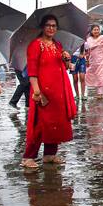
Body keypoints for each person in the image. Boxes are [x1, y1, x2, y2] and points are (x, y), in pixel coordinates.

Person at [21, 14, 77, 169]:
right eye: (48, 25)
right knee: (39, 124)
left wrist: (66, 58)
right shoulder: (35, 45)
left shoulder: (58, 45)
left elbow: (65, 68)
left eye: (54, 26)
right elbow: (32, 71)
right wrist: (37, 91)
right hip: (42, 91)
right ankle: (28, 157)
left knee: (56, 123)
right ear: (42, 27)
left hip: (58, 91)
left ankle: (49, 155)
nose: (51, 28)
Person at [85, 24, 103, 98]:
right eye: (94, 30)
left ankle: (100, 93)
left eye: (97, 29)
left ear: (99, 31)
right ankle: (97, 91)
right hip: (92, 60)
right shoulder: (89, 39)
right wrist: (87, 60)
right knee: (90, 74)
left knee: (101, 76)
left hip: (101, 60)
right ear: (91, 31)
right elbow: (87, 51)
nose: (96, 31)